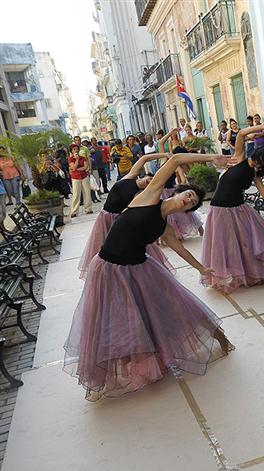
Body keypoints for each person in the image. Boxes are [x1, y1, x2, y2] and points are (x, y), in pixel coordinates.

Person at [63, 150, 234, 401]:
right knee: (113, 320)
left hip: (139, 267)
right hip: (108, 267)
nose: (189, 199)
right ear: (177, 192)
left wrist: (202, 268)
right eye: (189, 194)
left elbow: (180, 249)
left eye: (194, 202)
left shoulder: (165, 226)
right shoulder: (148, 196)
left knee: (175, 305)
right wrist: (211, 159)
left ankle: (219, 338)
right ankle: (120, 368)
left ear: (189, 210)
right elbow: (174, 160)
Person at [200, 122, 264, 293]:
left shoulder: (254, 174)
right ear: (253, 154)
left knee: (246, 244)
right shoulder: (239, 157)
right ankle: (228, 275)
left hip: (238, 209)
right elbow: (240, 134)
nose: (256, 164)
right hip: (219, 209)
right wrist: (261, 127)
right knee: (224, 244)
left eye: (260, 164)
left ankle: (252, 274)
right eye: (255, 159)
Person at [77, 154, 174, 279]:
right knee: (100, 245)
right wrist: (165, 155)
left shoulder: (141, 196)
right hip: (104, 217)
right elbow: (143, 159)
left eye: (150, 183)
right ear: (144, 176)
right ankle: (99, 272)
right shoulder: (130, 176)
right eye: (149, 179)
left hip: (119, 220)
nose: (148, 182)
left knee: (121, 247)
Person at [158, 129, 204, 240]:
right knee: (162, 214)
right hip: (159, 191)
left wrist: (179, 189)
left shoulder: (176, 166)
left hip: (169, 191)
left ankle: (198, 230)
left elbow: (183, 179)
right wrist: (170, 133)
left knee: (180, 212)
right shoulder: (165, 158)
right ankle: (162, 237)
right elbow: (160, 143)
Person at [68, 144, 93, 218]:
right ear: (71, 151)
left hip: (84, 176)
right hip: (75, 178)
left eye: (76, 149)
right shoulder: (70, 159)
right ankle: (74, 211)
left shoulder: (83, 158)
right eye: (74, 149)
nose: (76, 150)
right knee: (76, 194)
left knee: (87, 193)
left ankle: (88, 209)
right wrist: (77, 160)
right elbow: (73, 166)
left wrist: (76, 169)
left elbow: (85, 167)